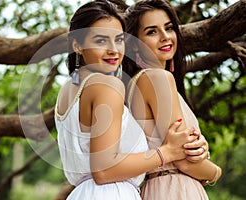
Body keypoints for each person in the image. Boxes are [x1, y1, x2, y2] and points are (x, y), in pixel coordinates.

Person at [54, 0, 201, 199]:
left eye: (119, 39)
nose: (114, 50)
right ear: (77, 45)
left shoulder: (68, 90)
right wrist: (167, 152)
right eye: (100, 41)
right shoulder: (107, 85)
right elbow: (103, 170)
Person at [123, 0, 222, 199]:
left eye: (168, 28)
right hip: (175, 188)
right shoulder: (157, 78)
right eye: (152, 32)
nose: (165, 37)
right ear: (134, 44)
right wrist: (215, 172)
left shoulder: (135, 84)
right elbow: (184, 161)